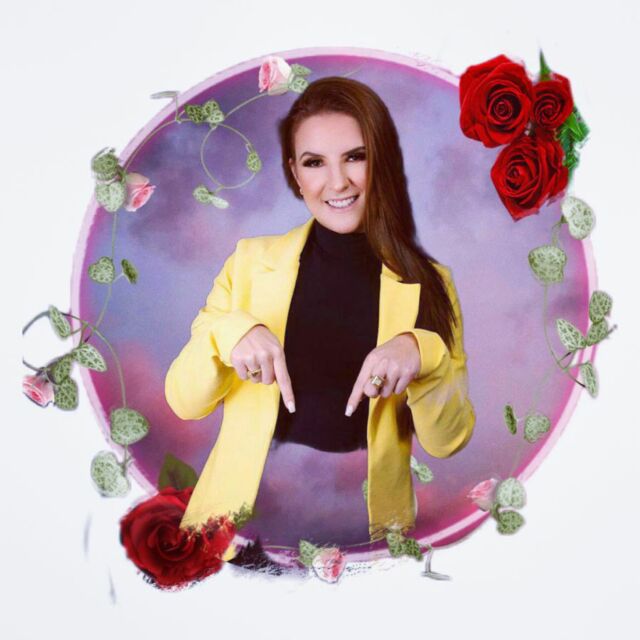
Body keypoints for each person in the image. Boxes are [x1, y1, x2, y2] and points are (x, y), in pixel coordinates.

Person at [164, 76, 475, 545]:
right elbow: (185, 403)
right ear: (295, 172)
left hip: (367, 536)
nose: (338, 181)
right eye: (314, 162)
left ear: (382, 159)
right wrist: (228, 333)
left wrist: (422, 353)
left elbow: (448, 440)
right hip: (238, 531)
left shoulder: (431, 283)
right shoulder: (249, 263)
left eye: (356, 156)